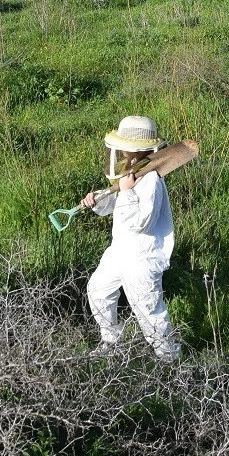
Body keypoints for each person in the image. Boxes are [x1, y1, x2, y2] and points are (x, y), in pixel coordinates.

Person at [80, 116, 180, 361]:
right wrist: (96, 200)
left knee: (147, 309)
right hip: (120, 250)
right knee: (98, 291)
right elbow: (113, 202)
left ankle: (169, 359)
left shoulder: (152, 180)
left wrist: (126, 193)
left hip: (143, 257)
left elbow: (140, 223)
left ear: (135, 148)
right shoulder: (130, 171)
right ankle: (110, 341)